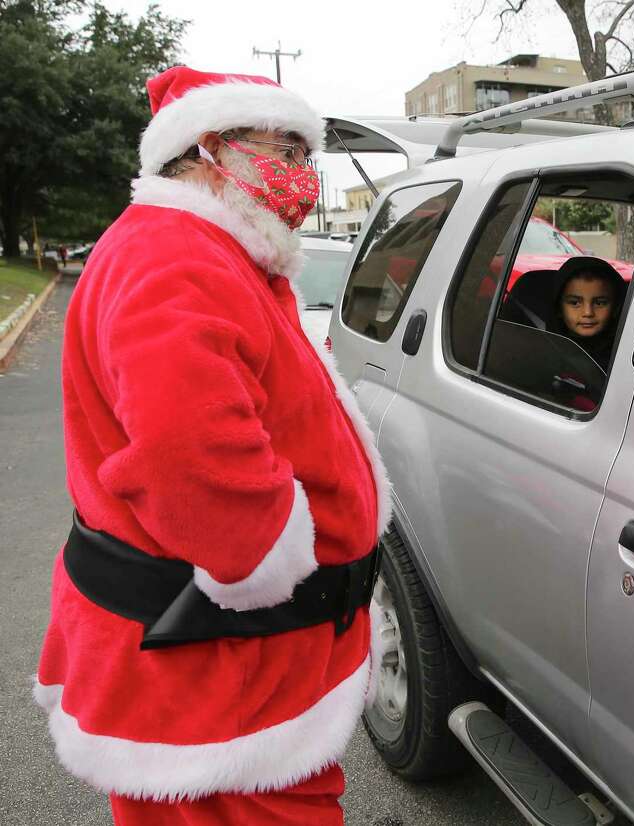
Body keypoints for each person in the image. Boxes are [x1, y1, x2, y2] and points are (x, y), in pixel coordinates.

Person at [34, 66, 390, 825]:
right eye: (281, 150)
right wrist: (268, 559)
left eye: (305, 155)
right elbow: (183, 449)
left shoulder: (208, 250)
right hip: (222, 669)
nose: (299, 176)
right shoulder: (175, 253)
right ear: (207, 148)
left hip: (232, 669)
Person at [549, 255, 628, 372]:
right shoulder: (545, 352)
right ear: (559, 308)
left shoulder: (628, 355)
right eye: (575, 303)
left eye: (600, 303)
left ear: (616, 308)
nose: (588, 312)